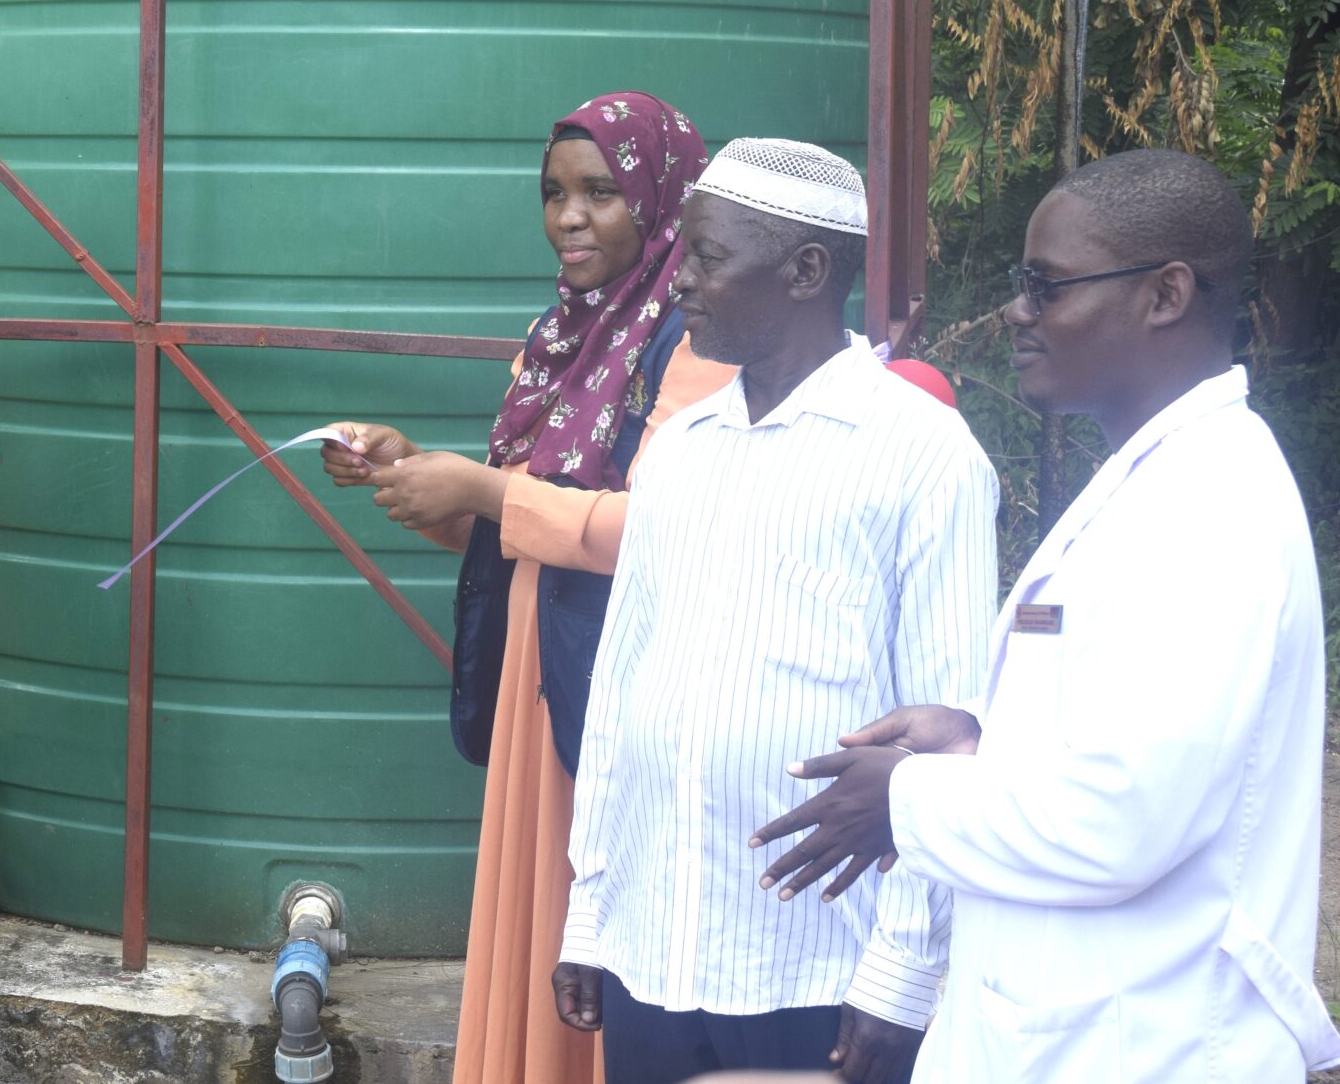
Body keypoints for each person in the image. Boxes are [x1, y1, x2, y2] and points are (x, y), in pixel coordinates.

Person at [751, 149, 1340, 1082]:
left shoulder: (1209, 502)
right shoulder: (1152, 477)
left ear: (1166, 294)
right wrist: (976, 742)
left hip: (1151, 1046)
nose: (1019, 312)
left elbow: (1123, 816)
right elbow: (1123, 747)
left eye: (1047, 286)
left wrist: (901, 797)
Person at [551, 139, 999, 1084]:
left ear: (806, 270)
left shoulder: (922, 454)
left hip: (820, 968)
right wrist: (592, 908)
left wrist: (902, 976)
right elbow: (620, 692)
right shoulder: (680, 453)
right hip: (655, 946)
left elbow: (947, 738)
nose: (679, 284)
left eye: (707, 259)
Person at [322, 91, 728, 1084]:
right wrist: (416, 471)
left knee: (593, 936)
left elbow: (664, 531)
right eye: (552, 193)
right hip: (537, 682)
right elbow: (509, 522)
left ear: (664, 202)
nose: (569, 216)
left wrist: (482, 485)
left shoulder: (698, 341)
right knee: (536, 914)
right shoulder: (562, 335)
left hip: (622, 693)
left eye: (602, 192)